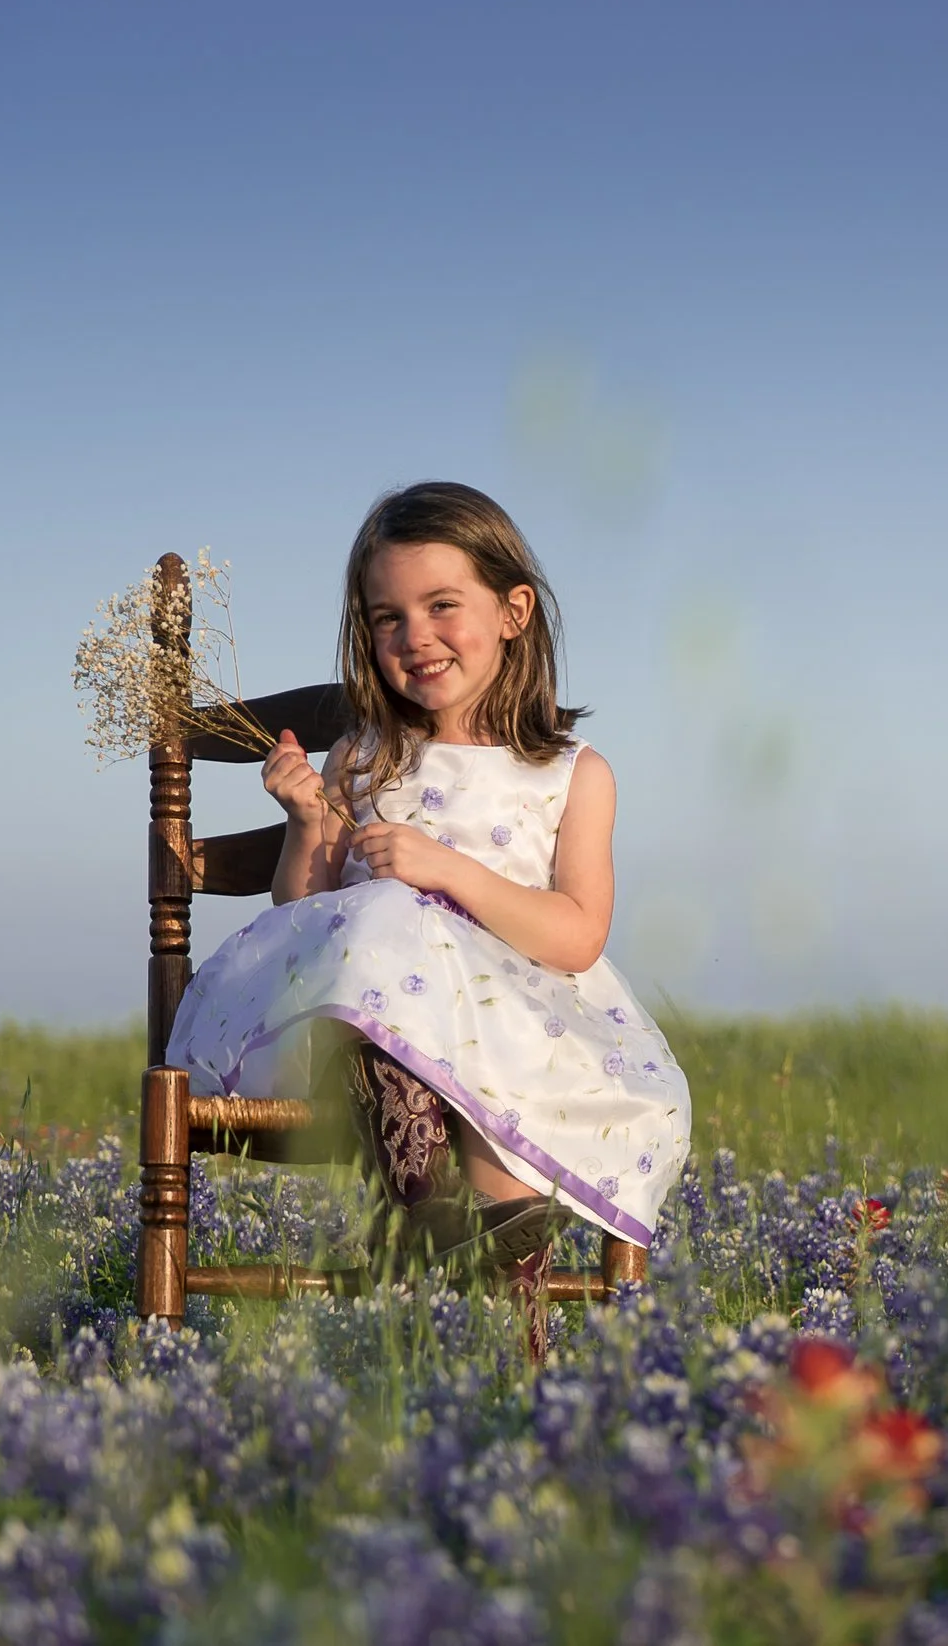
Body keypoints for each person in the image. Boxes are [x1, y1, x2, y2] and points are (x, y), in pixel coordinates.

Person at [166, 481, 689, 1334]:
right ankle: (458, 1251)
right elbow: (306, 913)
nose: (416, 637)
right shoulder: (365, 757)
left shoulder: (572, 774)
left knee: (485, 1058)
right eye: (386, 618)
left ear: (515, 610)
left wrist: (443, 870)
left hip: (523, 1023)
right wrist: (307, 824)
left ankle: (478, 1299)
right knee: (374, 929)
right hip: (362, 1031)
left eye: (443, 605)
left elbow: (578, 934)